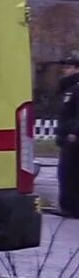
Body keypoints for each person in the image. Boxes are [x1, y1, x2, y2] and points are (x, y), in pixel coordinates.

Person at [57, 54, 79, 217]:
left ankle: (73, 206)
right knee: (65, 172)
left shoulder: (76, 88)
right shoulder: (68, 88)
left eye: (68, 67)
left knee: (71, 172)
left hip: (74, 139)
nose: (65, 70)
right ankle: (68, 205)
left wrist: (74, 132)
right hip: (67, 138)